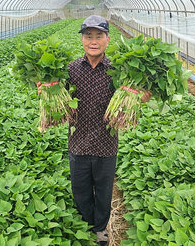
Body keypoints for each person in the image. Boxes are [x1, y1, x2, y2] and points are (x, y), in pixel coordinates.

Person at [66, 15, 152, 246]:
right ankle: (86, 225)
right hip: (78, 141)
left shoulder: (118, 70)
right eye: (88, 36)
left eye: (99, 36)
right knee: (81, 190)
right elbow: (60, 97)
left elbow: (134, 95)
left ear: (108, 39)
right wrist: (44, 89)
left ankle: (101, 229)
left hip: (106, 142)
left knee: (104, 191)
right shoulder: (71, 69)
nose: (93, 41)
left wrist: (140, 97)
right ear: (82, 40)